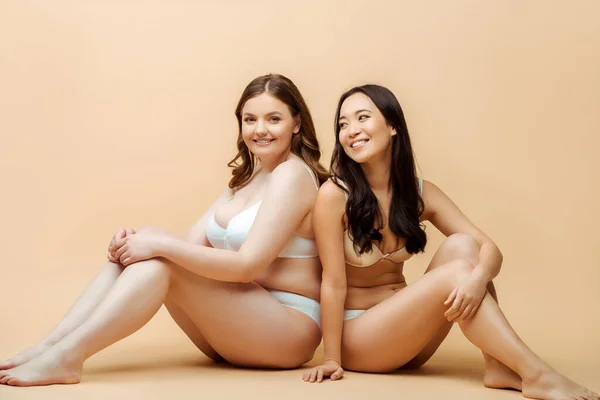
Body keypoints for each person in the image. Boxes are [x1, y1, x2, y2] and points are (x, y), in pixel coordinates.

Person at [0, 73, 329, 387]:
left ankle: (67, 357)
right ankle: (50, 346)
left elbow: (247, 267)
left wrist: (158, 245)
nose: (260, 129)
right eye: (250, 119)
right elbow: (187, 245)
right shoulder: (246, 179)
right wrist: (135, 242)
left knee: (161, 254)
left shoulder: (293, 176)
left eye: (274, 119)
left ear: (296, 123)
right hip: (239, 325)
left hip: (286, 331)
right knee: (148, 245)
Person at [302, 84, 598, 400]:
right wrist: (333, 358)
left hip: (411, 339)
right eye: (343, 124)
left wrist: (479, 279)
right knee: (461, 270)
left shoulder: (420, 193)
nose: (351, 131)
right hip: (360, 341)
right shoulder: (335, 195)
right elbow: (332, 284)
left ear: (393, 127)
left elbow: (489, 249)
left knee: (465, 248)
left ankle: (498, 365)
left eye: (362, 117)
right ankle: (538, 375)